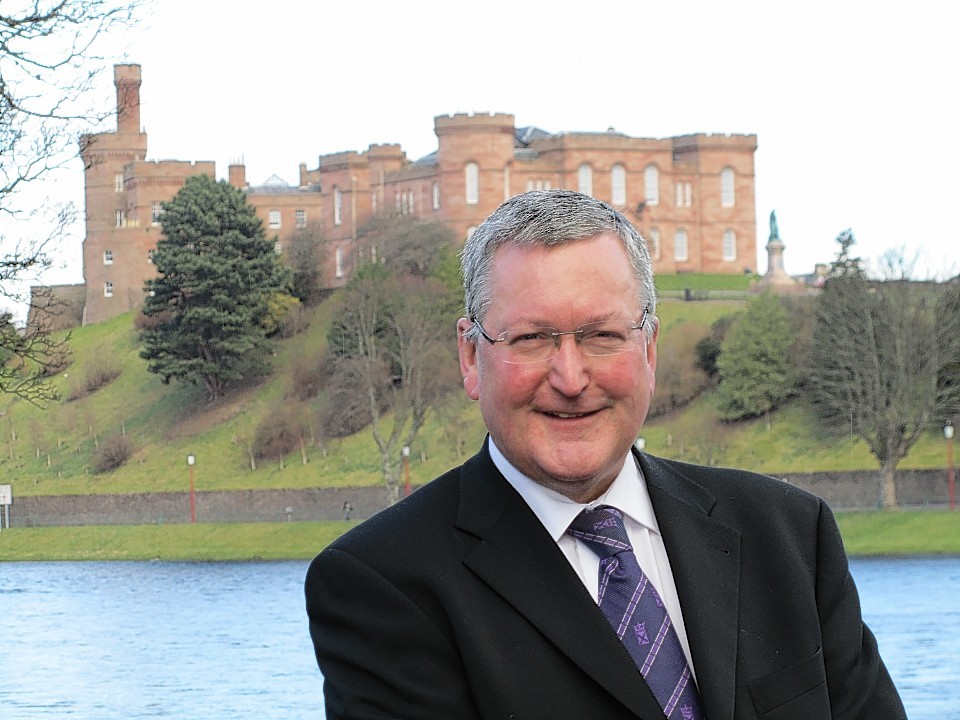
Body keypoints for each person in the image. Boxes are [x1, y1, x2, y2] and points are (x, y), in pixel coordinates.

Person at [305, 190, 905, 719]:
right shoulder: (382, 586)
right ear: (470, 357)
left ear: (648, 348)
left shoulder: (790, 534)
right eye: (532, 338)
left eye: (602, 336)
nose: (570, 377)